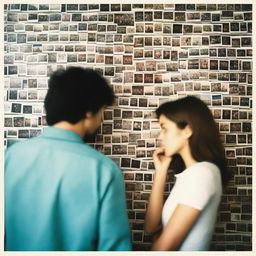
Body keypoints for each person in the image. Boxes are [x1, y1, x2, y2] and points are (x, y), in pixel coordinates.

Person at [5, 67, 131, 251]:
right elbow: (114, 249)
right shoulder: (104, 170)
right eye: (103, 110)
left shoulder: (10, 157)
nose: (102, 119)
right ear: (89, 111)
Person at [144, 96, 229, 251]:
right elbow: (151, 227)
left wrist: (159, 239)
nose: (160, 137)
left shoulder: (203, 174)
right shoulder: (191, 174)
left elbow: (162, 249)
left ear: (188, 130)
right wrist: (161, 171)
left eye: (164, 128)